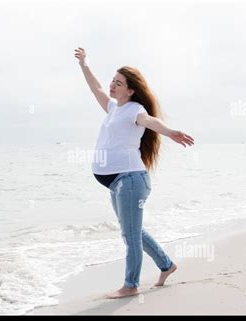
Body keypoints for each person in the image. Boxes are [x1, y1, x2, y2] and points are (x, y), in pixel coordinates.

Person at [74, 47, 195, 299]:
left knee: (130, 235)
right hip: (119, 182)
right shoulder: (113, 108)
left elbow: (151, 121)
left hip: (130, 180)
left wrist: (170, 132)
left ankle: (131, 285)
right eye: (113, 81)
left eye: (118, 83)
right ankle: (166, 265)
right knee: (133, 231)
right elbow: (96, 88)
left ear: (130, 90)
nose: (112, 85)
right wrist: (84, 64)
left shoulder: (135, 110)